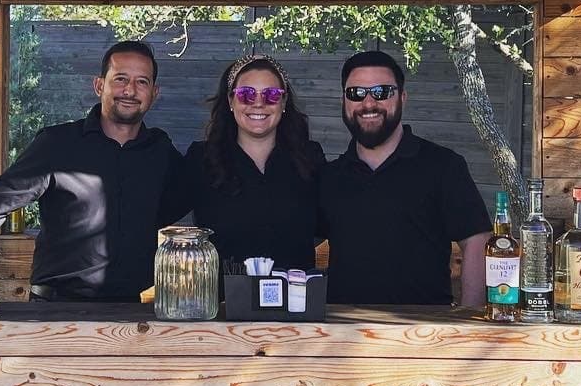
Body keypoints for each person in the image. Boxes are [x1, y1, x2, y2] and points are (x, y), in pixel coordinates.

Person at [0, 40, 185, 301]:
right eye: (120, 78)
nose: (130, 90)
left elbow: (191, 196)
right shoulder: (57, 144)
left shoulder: (160, 151)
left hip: (131, 313)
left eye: (142, 82)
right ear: (99, 85)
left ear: (154, 93)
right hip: (56, 310)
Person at [319, 50, 491, 307]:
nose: (368, 103)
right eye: (356, 93)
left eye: (382, 92)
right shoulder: (328, 176)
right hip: (342, 335)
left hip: (425, 335)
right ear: (344, 101)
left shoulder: (443, 166)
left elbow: (476, 240)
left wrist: (470, 322)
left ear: (403, 97)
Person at [182, 55, 325, 271]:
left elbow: (337, 221)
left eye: (271, 95)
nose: (258, 103)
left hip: (295, 300)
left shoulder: (310, 158)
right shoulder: (200, 159)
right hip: (222, 302)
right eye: (246, 94)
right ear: (231, 101)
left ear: (284, 102)